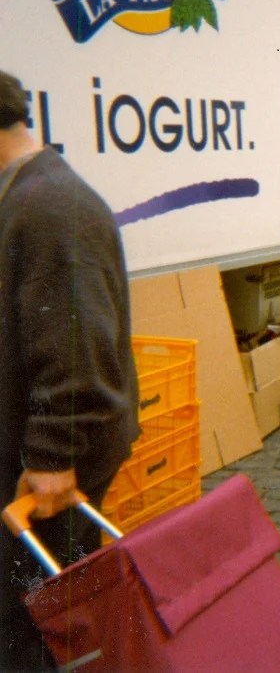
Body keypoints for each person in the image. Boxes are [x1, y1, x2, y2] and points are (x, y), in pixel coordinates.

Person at [0, 70, 140, 671]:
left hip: (54, 468)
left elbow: (80, 347)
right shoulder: (27, 195)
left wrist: (53, 455)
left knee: (36, 622)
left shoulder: (52, 205)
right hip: (38, 450)